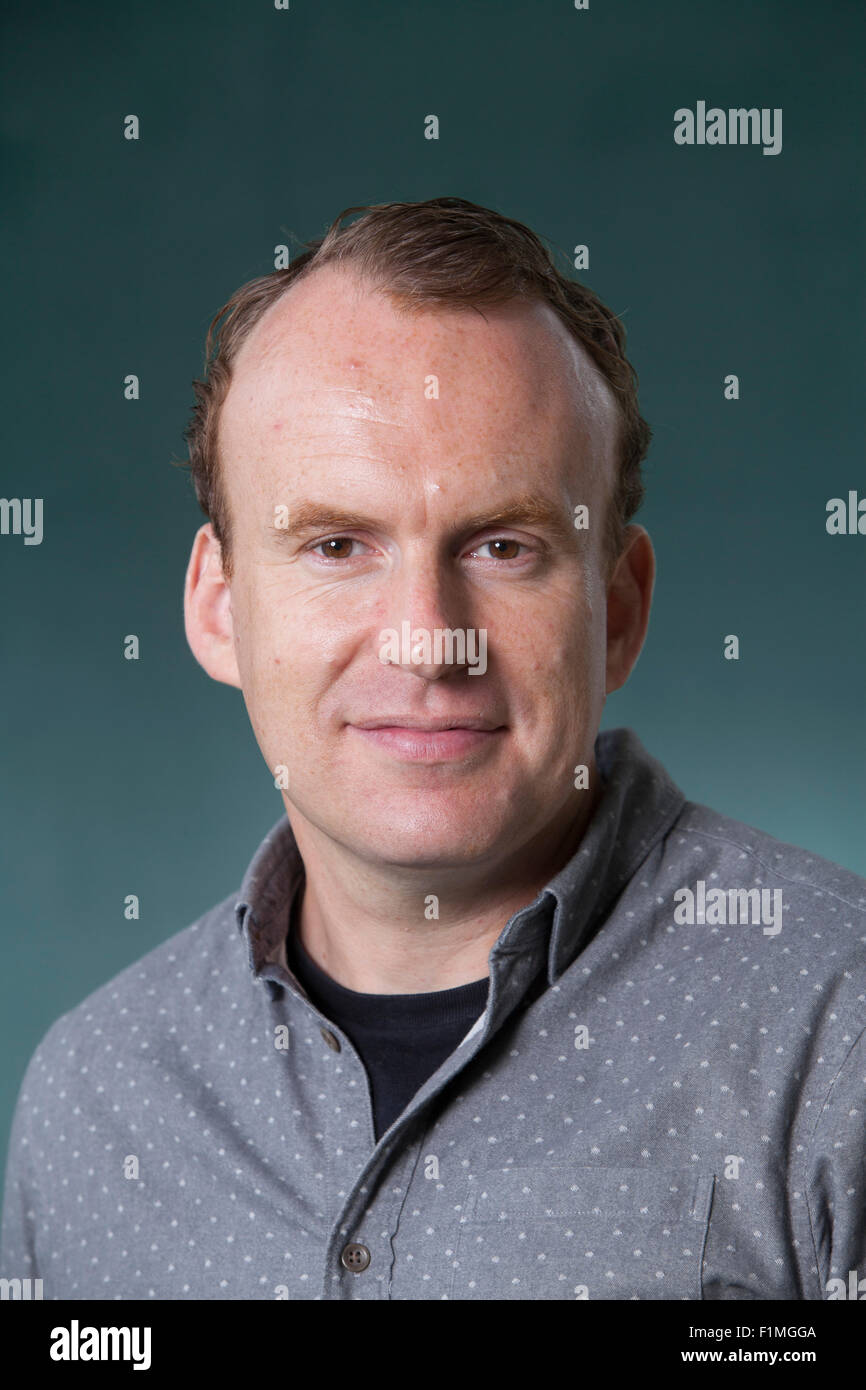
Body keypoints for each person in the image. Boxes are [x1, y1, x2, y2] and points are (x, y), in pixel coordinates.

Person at [2, 197, 864, 1302]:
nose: (427, 637)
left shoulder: (836, 1032)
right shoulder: (92, 1097)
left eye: (503, 545)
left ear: (618, 610)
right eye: (336, 544)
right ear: (218, 606)